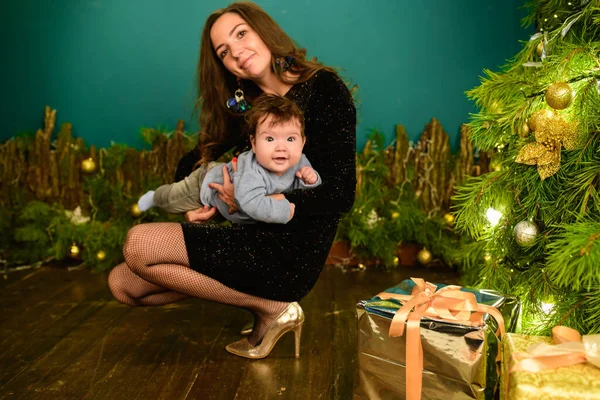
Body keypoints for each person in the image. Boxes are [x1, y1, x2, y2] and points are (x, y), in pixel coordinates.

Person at [108, 1, 356, 359]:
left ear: (264, 32)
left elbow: (340, 194)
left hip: (293, 247)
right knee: (123, 285)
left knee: (138, 246)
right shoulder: (248, 108)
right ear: (228, 68)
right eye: (224, 51)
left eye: (241, 34)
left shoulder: (322, 89)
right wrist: (200, 204)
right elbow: (189, 162)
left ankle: (273, 308)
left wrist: (251, 202)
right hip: (247, 235)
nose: (236, 52)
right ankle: (262, 302)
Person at [137, 94, 322, 225]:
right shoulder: (252, 169)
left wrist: (310, 181)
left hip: (226, 208)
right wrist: (284, 211)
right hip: (204, 184)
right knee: (171, 199)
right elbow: (249, 202)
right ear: (254, 144)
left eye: (290, 139)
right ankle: (155, 196)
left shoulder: (300, 162)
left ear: (302, 142)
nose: (281, 147)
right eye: (270, 139)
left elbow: (309, 193)